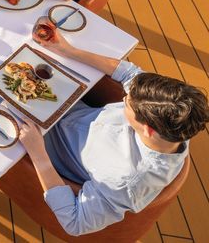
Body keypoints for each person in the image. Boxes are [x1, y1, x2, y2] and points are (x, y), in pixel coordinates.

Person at [18, 27, 209, 236]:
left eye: (127, 103)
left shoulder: (127, 181)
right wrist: (66, 49)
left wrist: (38, 153)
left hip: (41, 145)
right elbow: (129, 73)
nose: (125, 98)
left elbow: (75, 222)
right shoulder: (172, 113)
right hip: (65, 106)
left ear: (147, 129)